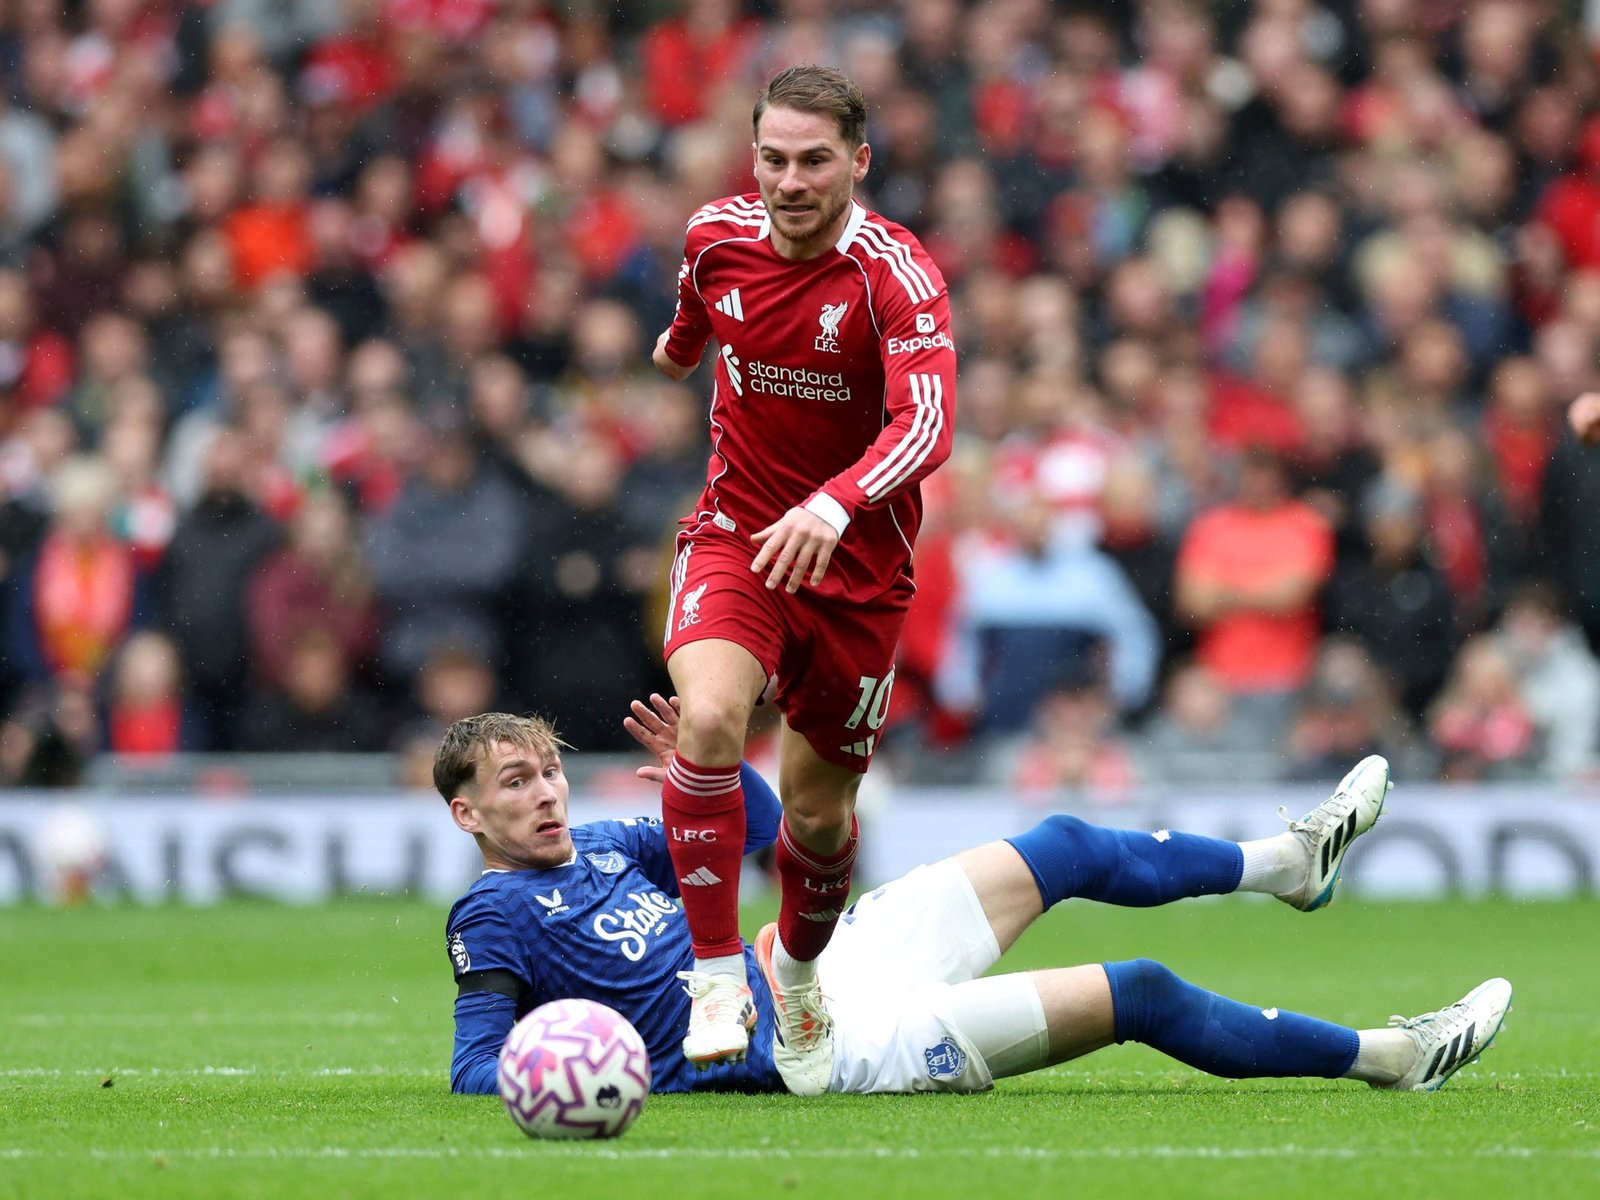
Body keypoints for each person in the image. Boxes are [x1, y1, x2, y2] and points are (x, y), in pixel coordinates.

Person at [441, 698, 1512, 1100]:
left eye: (549, 773)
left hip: (821, 962)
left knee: (1063, 843)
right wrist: (604, 1064)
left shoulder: (609, 846)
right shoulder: (492, 916)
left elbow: (766, 836)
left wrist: (706, 770)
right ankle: (1395, 1057)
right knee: (1137, 991)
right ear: (466, 814)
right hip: (828, 1049)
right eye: (514, 784)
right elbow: (475, 1065)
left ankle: (1287, 864)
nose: (545, 795)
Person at [648, 65, 957, 1090]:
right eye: (773, 159)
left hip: (855, 571)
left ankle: (797, 970)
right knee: (707, 721)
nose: (790, 181)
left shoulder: (894, 275)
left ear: (857, 163)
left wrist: (834, 503)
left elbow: (927, 423)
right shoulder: (714, 237)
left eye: (814, 160)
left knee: (818, 820)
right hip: (736, 536)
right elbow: (693, 320)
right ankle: (713, 976)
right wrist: (675, 352)